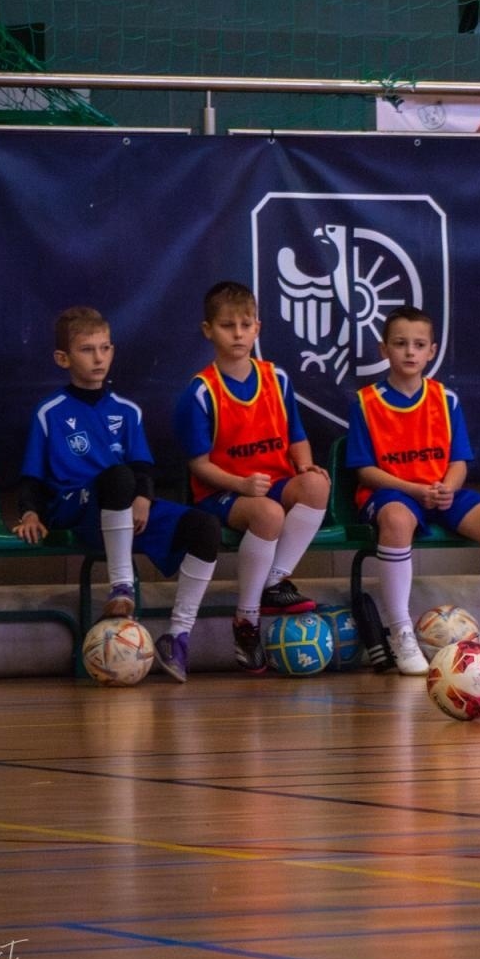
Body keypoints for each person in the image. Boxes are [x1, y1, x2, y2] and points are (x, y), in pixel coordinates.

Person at [12, 306, 221, 679]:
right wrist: (30, 512)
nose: (99, 358)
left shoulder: (127, 411)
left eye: (105, 348)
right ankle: (120, 585)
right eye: (87, 349)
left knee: (205, 527)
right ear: (63, 358)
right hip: (78, 507)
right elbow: (31, 478)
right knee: (117, 478)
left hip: (127, 503)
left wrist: (142, 496)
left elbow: (142, 468)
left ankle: (178, 636)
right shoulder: (50, 412)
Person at [345, 305, 480, 675]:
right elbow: (365, 471)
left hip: (440, 492)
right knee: (394, 519)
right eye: (400, 343)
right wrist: (414, 489)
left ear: (431, 350)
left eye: (418, 344)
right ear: (383, 350)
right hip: (393, 493)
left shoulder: (445, 399)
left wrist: (446, 489)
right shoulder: (366, 402)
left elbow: (459, 460)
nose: (410, 351)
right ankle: (401, 632)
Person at [171, 281, 331, 678]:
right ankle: (248, 621)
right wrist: (240, 485)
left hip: (273, 483)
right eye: (227, 325)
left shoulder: (276, 378)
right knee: (268, 514)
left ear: (258, 328)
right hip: (222, 491)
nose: (238, 333)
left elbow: (297, 436)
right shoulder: (201, 391)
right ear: (208, 330)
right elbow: (198, 465)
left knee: (316, 484)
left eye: (245, 324)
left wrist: (306, 465)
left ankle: (275, 582)